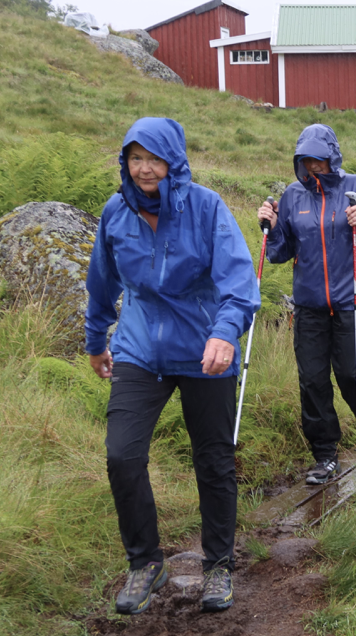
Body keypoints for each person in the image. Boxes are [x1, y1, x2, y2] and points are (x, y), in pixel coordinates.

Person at [84, 117, 261, 616]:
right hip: (140, 349)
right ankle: (146, 563)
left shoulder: (206, 208)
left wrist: (225, 333)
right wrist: (97, 340)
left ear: (174, 161)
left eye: (154, 159)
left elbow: (238, 280)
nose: (144, 169)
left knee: (213, 460)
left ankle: (218, 565)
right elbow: (102, 283)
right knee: (122, 454)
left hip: (205, 350)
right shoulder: (115, 214)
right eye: (135, 159)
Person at [257, 124, 356, 486]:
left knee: (351, 372)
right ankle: (325, 455)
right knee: (312, 380)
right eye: (306, 161)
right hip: (309, 305)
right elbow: (279, 253)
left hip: (355, 299)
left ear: (331, 158)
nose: (313, 167)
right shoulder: (291, 196)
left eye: (319, 160)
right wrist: (270, 227)